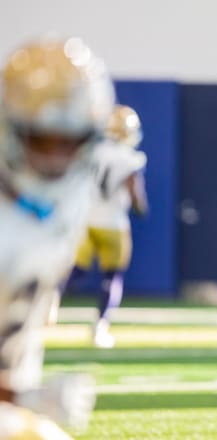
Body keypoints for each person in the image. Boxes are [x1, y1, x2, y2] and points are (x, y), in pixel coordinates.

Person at [0, 36, 115, 438]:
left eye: (72, 141)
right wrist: (16, 397)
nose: (56, 159)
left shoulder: (69, 194)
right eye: (42, 139)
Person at [67, 104, 148, 348]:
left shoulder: (92, 151)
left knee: (76, 271)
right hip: (113, 223)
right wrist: (141, 208)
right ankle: (101, 325)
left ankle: (48, 303)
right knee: (111, 277)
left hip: (87, 220)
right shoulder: (131, 158)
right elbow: (136, 196)